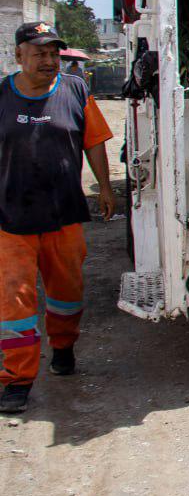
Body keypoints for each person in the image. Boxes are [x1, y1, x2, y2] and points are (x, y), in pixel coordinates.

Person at [1, 22, 114, 414]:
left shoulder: (75, 89)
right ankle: (17, 380)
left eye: (54, 54)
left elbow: (94, 140)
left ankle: (63, 348)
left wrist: (105, 187)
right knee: (15, 303)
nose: (49, 61)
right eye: (40, 54)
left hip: (64, 214)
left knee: (66, 294)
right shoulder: (1, 95)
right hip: (11, 219)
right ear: (19, 56)